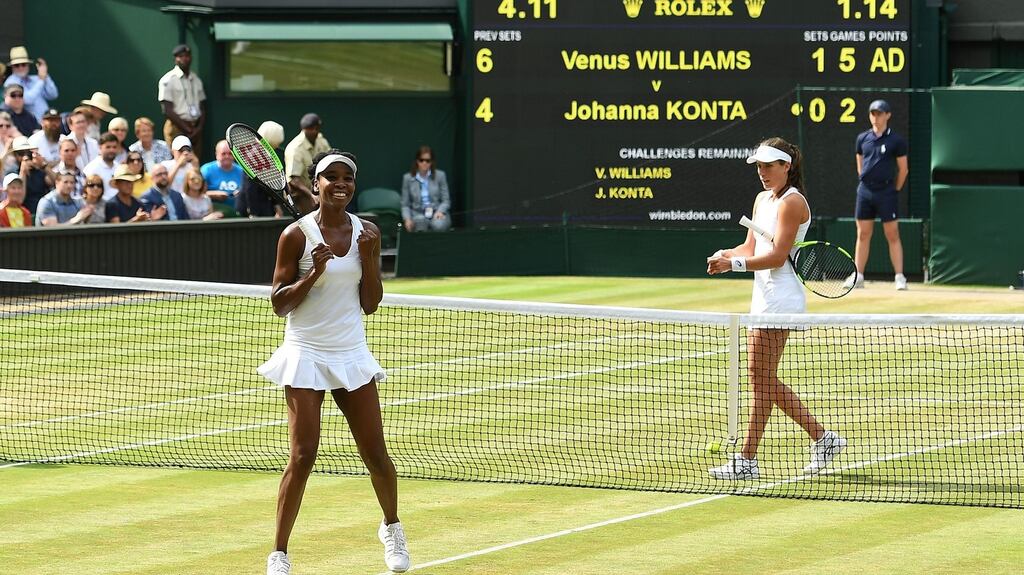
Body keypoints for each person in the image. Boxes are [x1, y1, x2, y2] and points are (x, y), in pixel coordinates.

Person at [258, 150, 409, 575]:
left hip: (351, 353)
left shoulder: (369, 233)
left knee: (376, 453)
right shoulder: (295, 235)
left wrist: (371, 259)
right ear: (316, 182)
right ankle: (279, 554)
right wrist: (312, 274)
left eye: (347, 178)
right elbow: (278, 304)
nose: (340, 184)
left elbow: (371, 303)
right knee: (303, 454)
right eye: (331, 177)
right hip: (305, 352)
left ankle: (392, 529)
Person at [705, 137, 847, 480]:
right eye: (759, 166)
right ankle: (822, 438)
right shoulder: (761, 199)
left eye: (769, 166)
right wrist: (728, 254)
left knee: (759, 377)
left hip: (782, 298)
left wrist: (734, 267)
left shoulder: (792, 203)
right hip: (763, 296)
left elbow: (777, 256)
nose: (762, 172)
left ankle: (748, 460)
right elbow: (751, 246)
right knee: (762, 379)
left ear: (787, 166)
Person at [846, 99, 909, 291]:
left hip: (887, 191)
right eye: (873, 113)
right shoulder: (862, 139)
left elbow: (903, 170)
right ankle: (858, 277)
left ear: (888, 115)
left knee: (892, 234)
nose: (876, 117)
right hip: (865, 191)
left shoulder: (896, 141)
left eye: (880, 113)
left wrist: (894, 190)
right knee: (863, 234)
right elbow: (860, 165)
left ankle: (899, 277)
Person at [159, 44, 207, 161]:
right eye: (181, 56)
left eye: (187, 56)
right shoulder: (168, 79)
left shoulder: (196, 79)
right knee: (177, 160)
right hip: (177, 126)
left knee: (194, 161)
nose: (185, 59)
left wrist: (198, 128)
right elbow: (167, 110)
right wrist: (187, 129)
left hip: (195, 126)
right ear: (176, 59)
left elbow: (202, 106)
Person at [283, 113, 330, 215]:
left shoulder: (321, 141)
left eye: (317, 128)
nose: (315, 131)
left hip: (319, 190)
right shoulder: (295, 148)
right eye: (311, 128)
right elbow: (294, 180)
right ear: (305, 129)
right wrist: (311, 195)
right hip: (301, 195)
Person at [236, 120, 285, 218]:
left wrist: (276, 205)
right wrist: (253, 213)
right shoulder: (253, 155)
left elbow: (270, 184)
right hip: (252, 209)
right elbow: (249, 187)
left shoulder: (267, 154)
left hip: (264, 205)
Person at [400, 145, 451, 232]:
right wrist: (407, 219)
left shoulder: (440, 176)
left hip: (436, 212)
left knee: (439, 225)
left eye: (427, 160)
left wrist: (440, 211)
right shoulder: (408, 178)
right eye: (421, 160)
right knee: (420, 222)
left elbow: (446, 200)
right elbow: (405, 205)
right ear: (417, 161)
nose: (424, 163)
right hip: (417, 214)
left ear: (431, 162)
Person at [3, 46, 58, 122]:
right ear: (12, 67)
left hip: (45, 122)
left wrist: (45, 75)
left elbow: (53, 95)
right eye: (17, 65)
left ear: (28, 65)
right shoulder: (11, 82)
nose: (21, 68)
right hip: (28, 124)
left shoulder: (35, 79)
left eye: (24, 64)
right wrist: (41, 80)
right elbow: (28, 100)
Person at [10, 136, 48, 214]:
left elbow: (56, 182)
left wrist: (43, 165)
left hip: (42, 212)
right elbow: (19, 199)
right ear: (15, 156)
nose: (25, 156)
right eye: (21, 153)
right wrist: (23, 172)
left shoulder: (39, 172)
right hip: (24, 213)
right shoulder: (12, 174)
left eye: (27, 153)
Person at [83, 131, 121, 200]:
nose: (111, 150)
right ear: (100, 147)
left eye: (114, 147)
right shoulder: (92, 168)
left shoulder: (119, 167)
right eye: (108, 147)